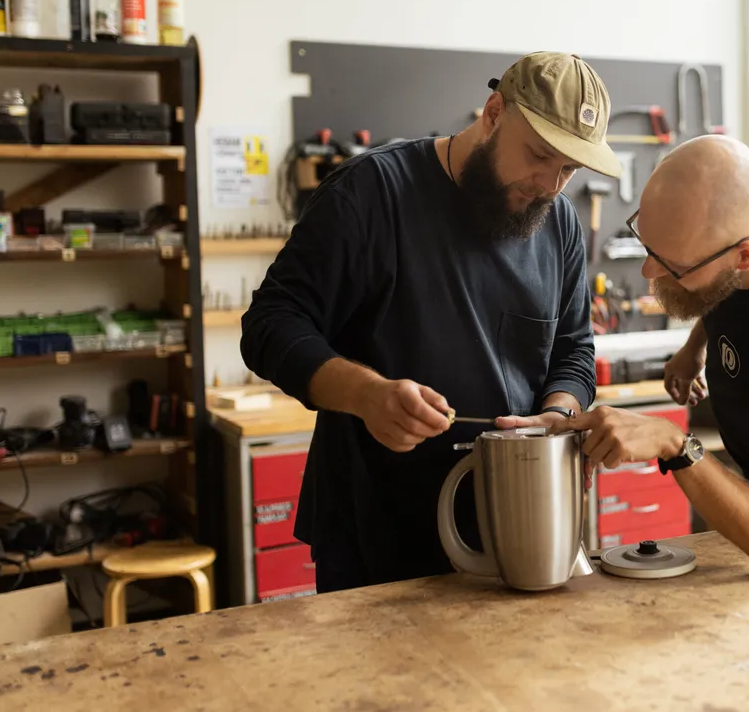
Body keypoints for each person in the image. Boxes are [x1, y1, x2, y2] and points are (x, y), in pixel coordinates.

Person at [241, 51, 621, 592]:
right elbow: (269, 324)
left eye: (569, 168)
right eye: (539, 155)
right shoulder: (372, 193)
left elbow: (574, 351)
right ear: (493, 113)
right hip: (373, 542)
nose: (550, 184)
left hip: (513, 533)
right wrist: (367, 394)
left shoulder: (558, 223)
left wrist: (557, 414)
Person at [502, 136, 749, 574]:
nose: (648, 273)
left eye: (671, 266)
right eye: (646, 241)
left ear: (745, 257)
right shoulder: (747, 174)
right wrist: (694, 347)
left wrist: (674, 443)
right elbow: (719, 278)